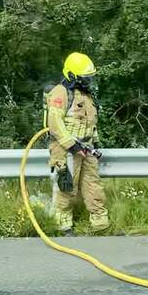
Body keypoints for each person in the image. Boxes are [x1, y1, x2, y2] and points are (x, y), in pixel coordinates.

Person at [45, 52, 110, 236]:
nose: (89, 81)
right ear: (73, 76)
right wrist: (73, 146)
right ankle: (62, 226)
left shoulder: (85, 95)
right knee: (66, 186)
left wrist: (95, 144)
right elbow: (54, 123)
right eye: (85, 78)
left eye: (90, 78)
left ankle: (100, 225)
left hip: (86, 147)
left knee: (93, 185)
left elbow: (90, 122)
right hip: (67, 148)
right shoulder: (61, 92)